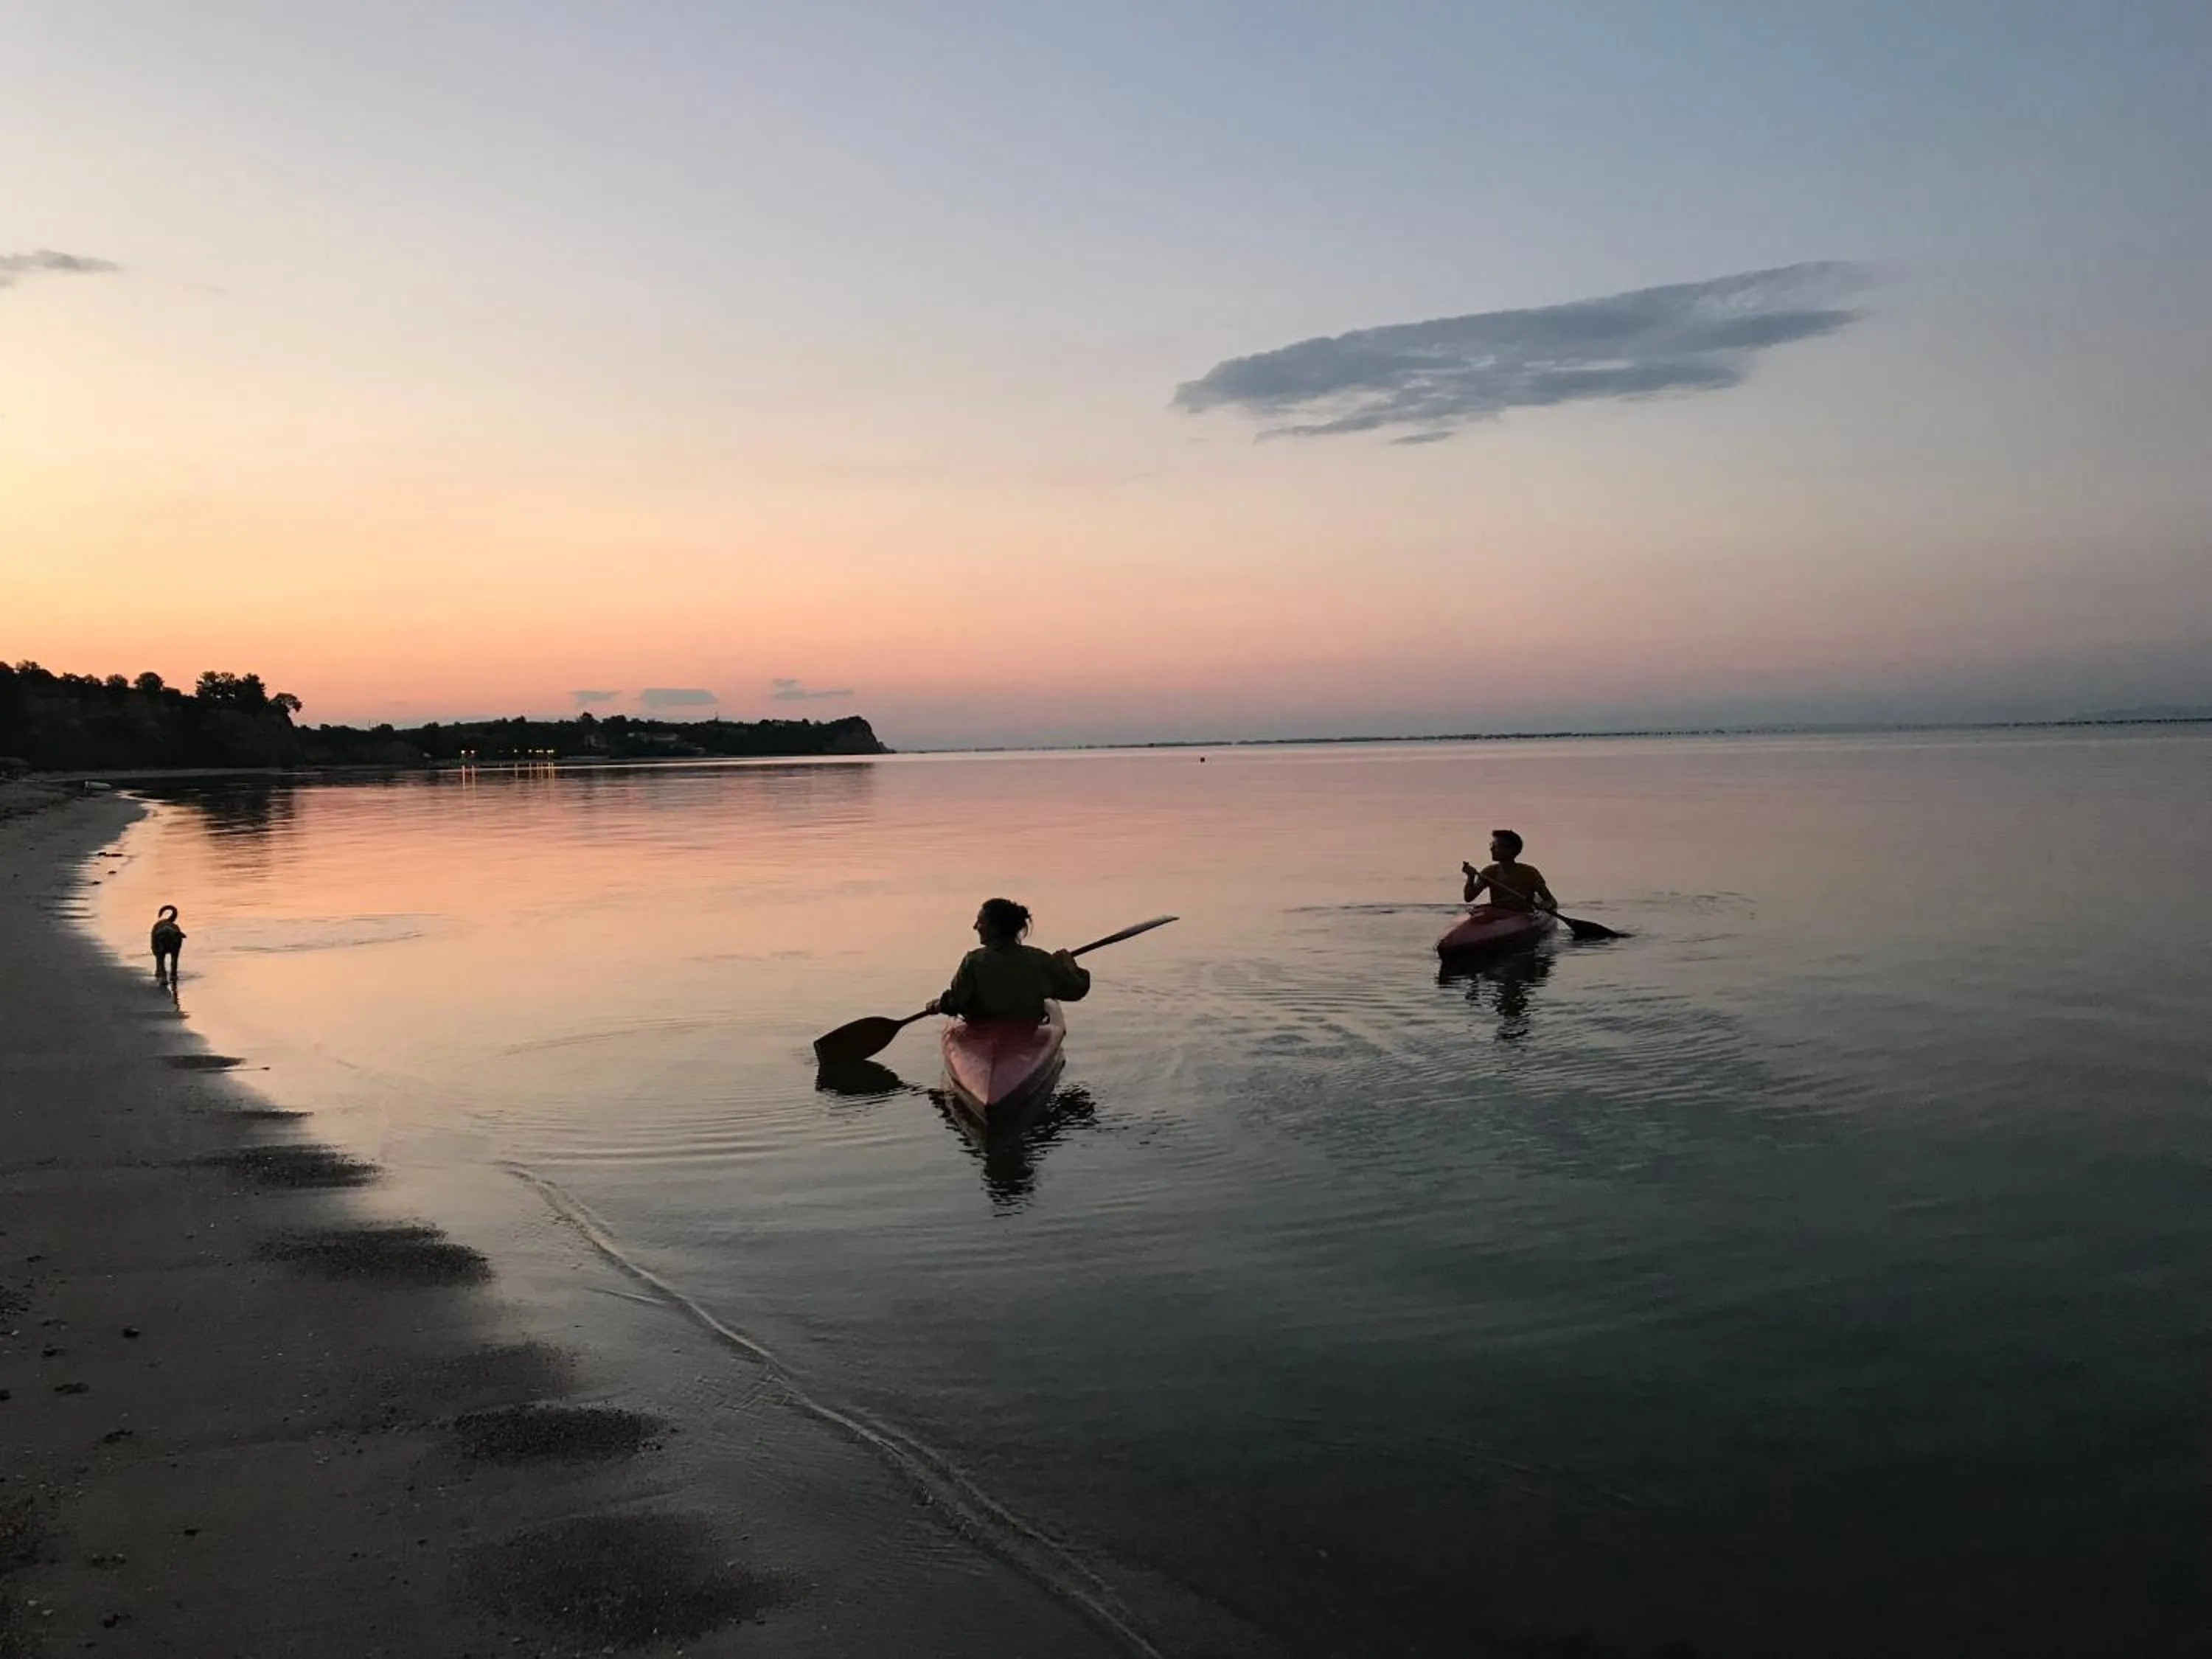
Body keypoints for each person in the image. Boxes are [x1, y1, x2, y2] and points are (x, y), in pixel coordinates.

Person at [927, 898, 1091, 1024]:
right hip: (1026, 1034)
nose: (975, 927)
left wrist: (939, 1005)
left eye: (981, 922)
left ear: (996, 928)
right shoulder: (1040, 959)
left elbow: (956, 1002)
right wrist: (1071, 967)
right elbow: (1076, 990)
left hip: (984, 1033)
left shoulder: (973, 962)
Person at [1461, 830, 1557, 915]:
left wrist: (1545, 906)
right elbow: (1469, 898)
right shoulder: (1489, 872)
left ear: (1510, 850)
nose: (1492, 849)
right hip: (1498, 915)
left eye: (1496, 846)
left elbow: (1551, 901)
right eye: (1492, 845)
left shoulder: (1529, 873)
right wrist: (1471, 877)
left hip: (1523, 915)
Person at [150, 904, 187, 986]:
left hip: (171, 937)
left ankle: (173, 974)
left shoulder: (176, 937)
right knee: (159, 955)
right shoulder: (158, 933)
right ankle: (161, 972)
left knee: (173, 957)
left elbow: (181, 936)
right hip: (160, 934)